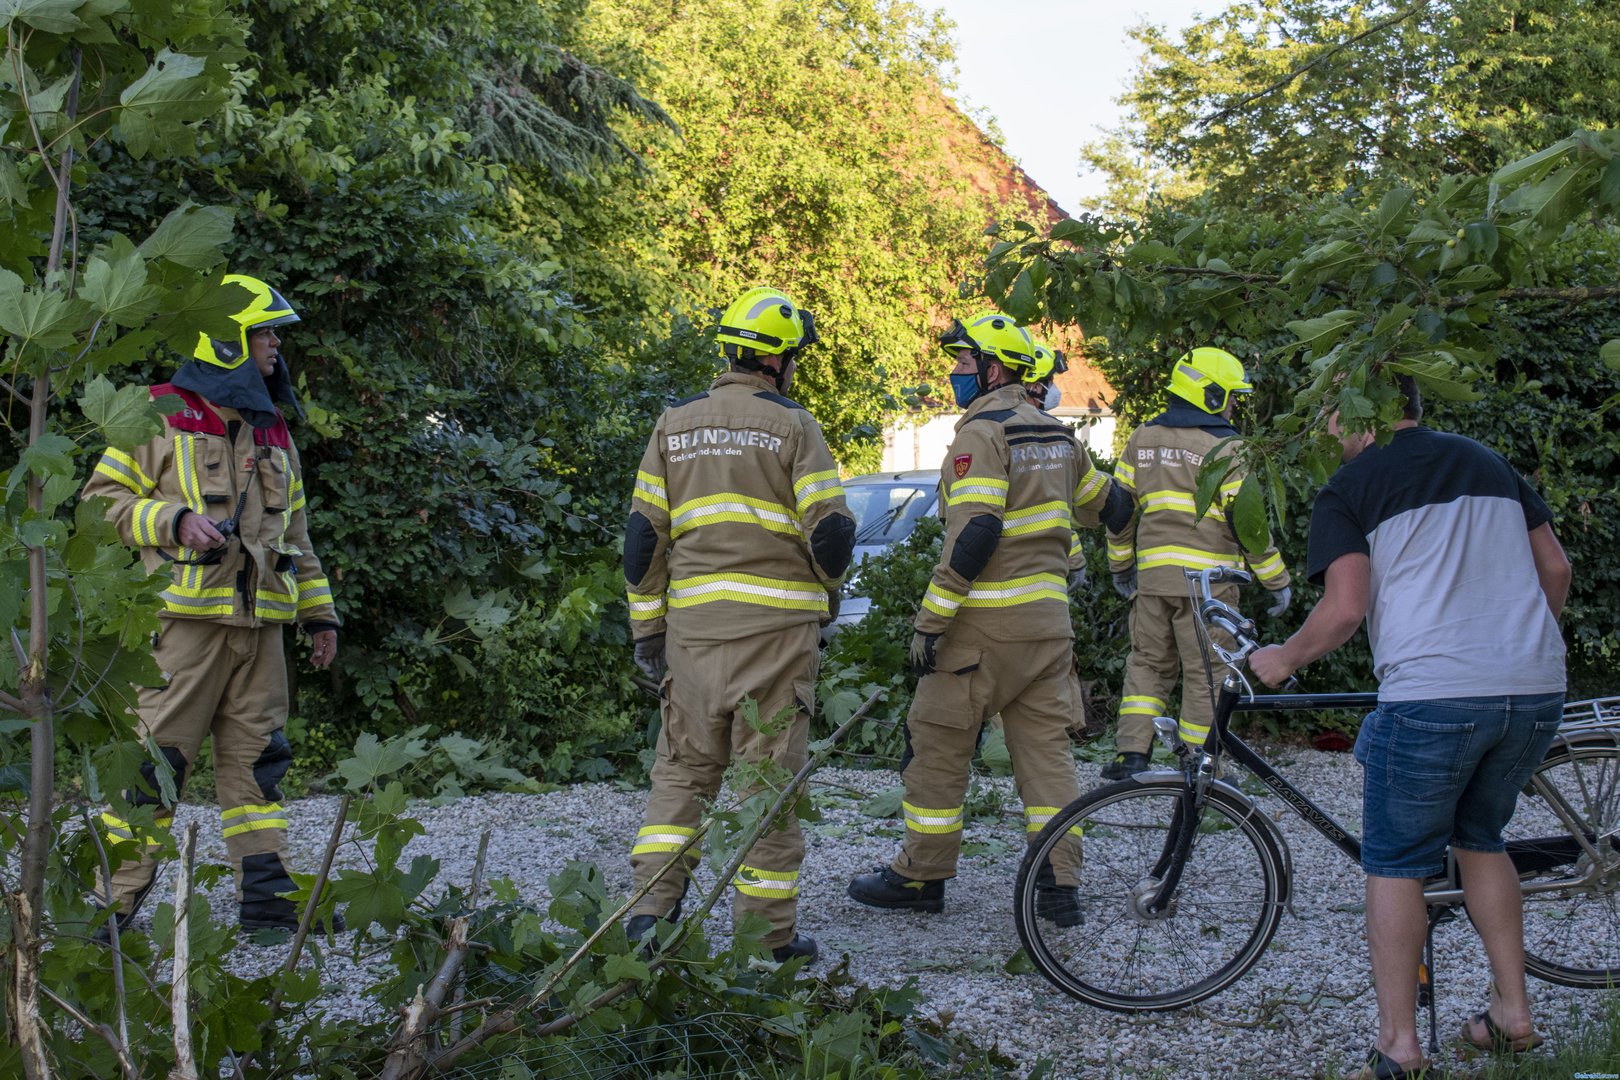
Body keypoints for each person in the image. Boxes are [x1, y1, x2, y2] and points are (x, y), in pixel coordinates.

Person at [1250, 376, 1569, 1080]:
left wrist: (1283, 657)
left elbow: (1344, 609)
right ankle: (1512, 1014)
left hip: (1436, 694)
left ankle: (1399, 1048)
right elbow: (1556, 566)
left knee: (1394, 862)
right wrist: (1521, 644)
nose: (1329, 426)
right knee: (1481, 839)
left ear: (1352, 411)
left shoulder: (1351, 487)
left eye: (1331, 410)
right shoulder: (1489, 462)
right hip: (1534, 685)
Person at [846, 313, 1133, 918]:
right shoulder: (1058, 435)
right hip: (1049, 631)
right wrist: (1122, 557)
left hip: (981, 630)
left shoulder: (982, 434)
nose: (953, 372)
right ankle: (1059, 886)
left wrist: (931, 618)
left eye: (963, 361)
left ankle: (921, 877)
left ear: (993, 368)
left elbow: (977, 531)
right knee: (1046, 758)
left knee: (938, 746)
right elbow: (1108, 505)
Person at [84, 274, 342, 934]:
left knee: (259, 768)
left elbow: (298, 535)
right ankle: (108, 911)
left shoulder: (271, 428)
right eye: (264, 332)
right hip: (182, 631)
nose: (275, 344)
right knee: (155, 769)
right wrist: (172, 521)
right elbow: (101, 503)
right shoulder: (158, 410)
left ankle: (268, 906)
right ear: (228, 340)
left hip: (261, 633)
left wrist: (319, 615)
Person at [622, 286, 855, 964]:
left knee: (683, 773)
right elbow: (833, 533)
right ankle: (764, 942)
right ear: (778, 360)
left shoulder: (675, 423)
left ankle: (647, 921)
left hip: (694, 635)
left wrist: (647, 632)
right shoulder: (794, 425)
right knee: (767, 787)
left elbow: (642, 541)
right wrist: (827, 599)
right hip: (777, 639)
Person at [1101, 347, 1291, 779]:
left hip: (1153, 581)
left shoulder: (1141, 439)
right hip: (1209, 588)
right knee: (1208, 672)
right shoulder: (1227, 448)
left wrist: (1120, 567)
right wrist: (1275, 578)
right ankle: (1197, 765)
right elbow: (1249, 525)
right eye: (1230, 396)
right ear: (1211, 395)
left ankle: (1131, 754)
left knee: (1147, 664)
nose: (1233, 405)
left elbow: (1119, 511)